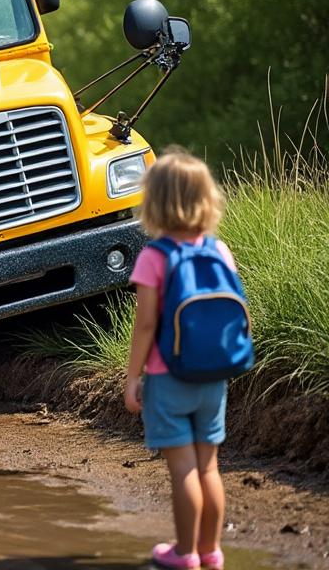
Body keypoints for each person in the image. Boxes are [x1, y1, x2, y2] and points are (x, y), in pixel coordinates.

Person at [124, 149, 237, 570]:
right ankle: (212, 552)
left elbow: (147, 325)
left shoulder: (154, 257)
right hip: (213, 375)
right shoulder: (220, 251)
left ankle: (184, 554)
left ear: (153, 203)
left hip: (168, 376)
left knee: (183, 470)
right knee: (209, 467)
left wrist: (132, 377)